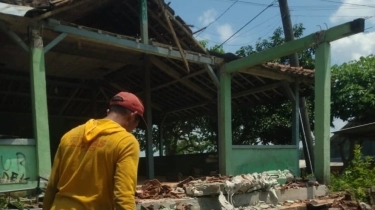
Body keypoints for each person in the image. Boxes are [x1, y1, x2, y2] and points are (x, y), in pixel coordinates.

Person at [43, 91, 145, 210]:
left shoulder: (69, 136)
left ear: (108, 112)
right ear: (132, 116)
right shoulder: (126, 142)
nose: (133, 129)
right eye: (137, 124)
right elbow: (123, 196)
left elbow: (51, 186)